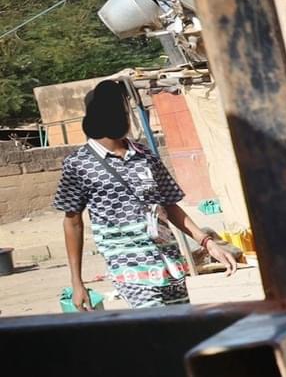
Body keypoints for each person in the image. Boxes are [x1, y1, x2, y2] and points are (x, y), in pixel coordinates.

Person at [55, 78, 236, 309]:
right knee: (157, 332)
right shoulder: (78, 164)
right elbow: (72, 223)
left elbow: (169, 206)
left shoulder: (145, 155)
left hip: (169, 263)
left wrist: (208, 243)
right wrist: (77, 281)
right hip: (129, 269)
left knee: (179, 330)